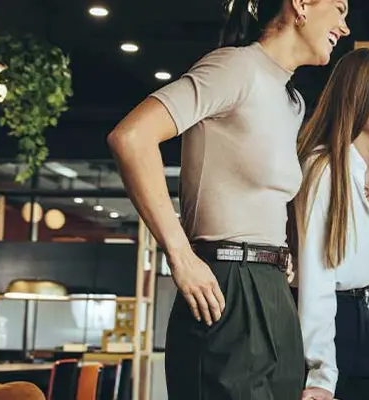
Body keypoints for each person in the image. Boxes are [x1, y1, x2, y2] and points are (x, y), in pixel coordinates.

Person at [105, 0, 350, 398]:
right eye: (339, 8)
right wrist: (181, 256)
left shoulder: (293, 102)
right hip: (225, 285)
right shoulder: (235, 67)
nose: (344, 25)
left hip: (273, 288)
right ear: (301, 5)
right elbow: (131, 138)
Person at [292, 47, 369, 400]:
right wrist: (321, 374)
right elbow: (316, 280)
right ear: (358, 97)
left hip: (362, 321)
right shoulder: (324, 170)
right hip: (323, 329)